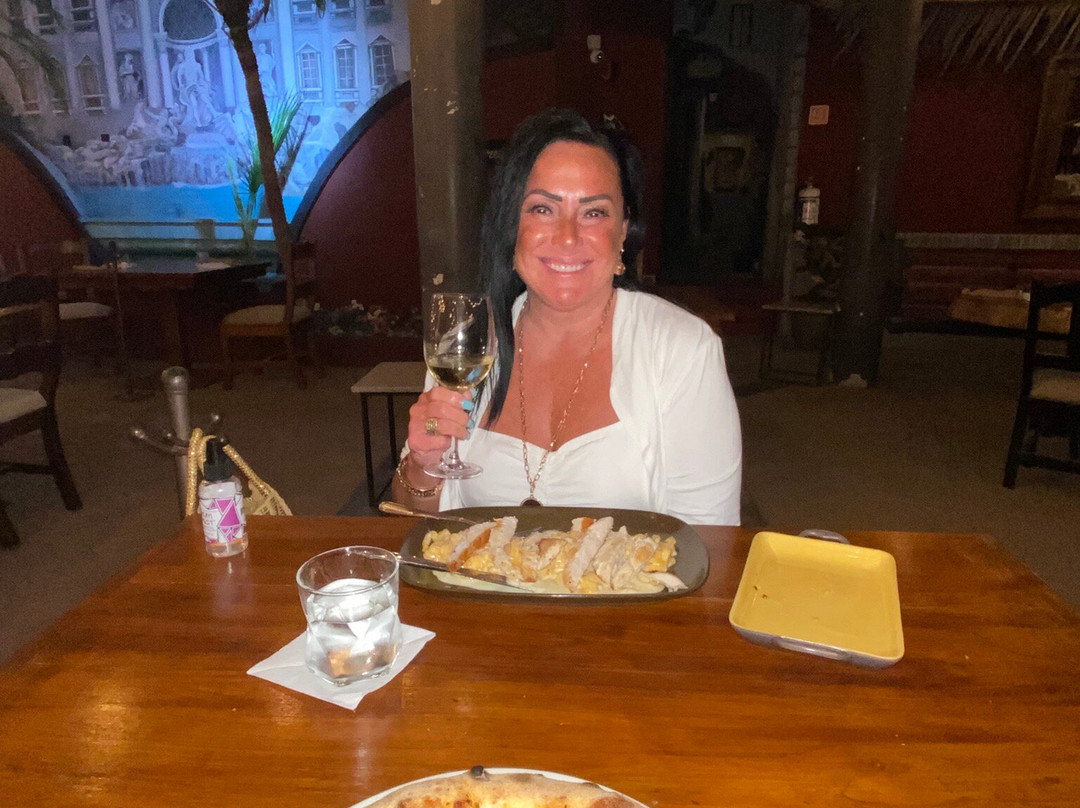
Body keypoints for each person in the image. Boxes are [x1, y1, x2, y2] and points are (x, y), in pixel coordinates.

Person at [393, 108, 742, 524]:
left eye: (594, 212)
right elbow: (415, 518)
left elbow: (710, 541)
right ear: (511, 225)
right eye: (543, 209)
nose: (568, 236)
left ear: (623, 231)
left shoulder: (682, 350)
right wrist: (422, 463)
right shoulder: (468, 348)